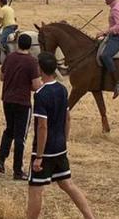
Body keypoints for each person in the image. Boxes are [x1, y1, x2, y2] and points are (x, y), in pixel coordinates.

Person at [26, 51, 95, 219]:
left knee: (35, 189)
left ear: (40, 69)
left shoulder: (41, 94)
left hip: (45, 151)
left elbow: (42, 127)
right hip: (60, 147)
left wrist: (39, 157)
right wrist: (64, 140)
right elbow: (68, 118)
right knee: (67, 184)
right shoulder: (62, 89)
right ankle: (90, 217)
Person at [0, 34, 40, 180]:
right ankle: (17, 170)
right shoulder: (32, 62)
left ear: (17, 44)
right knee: (20, 136)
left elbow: (1, 77)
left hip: (7, 99)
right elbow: (35, 86)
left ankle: (1, 160)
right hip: (22, 102)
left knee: (9, 130)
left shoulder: (10, 57)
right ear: (30, 46)